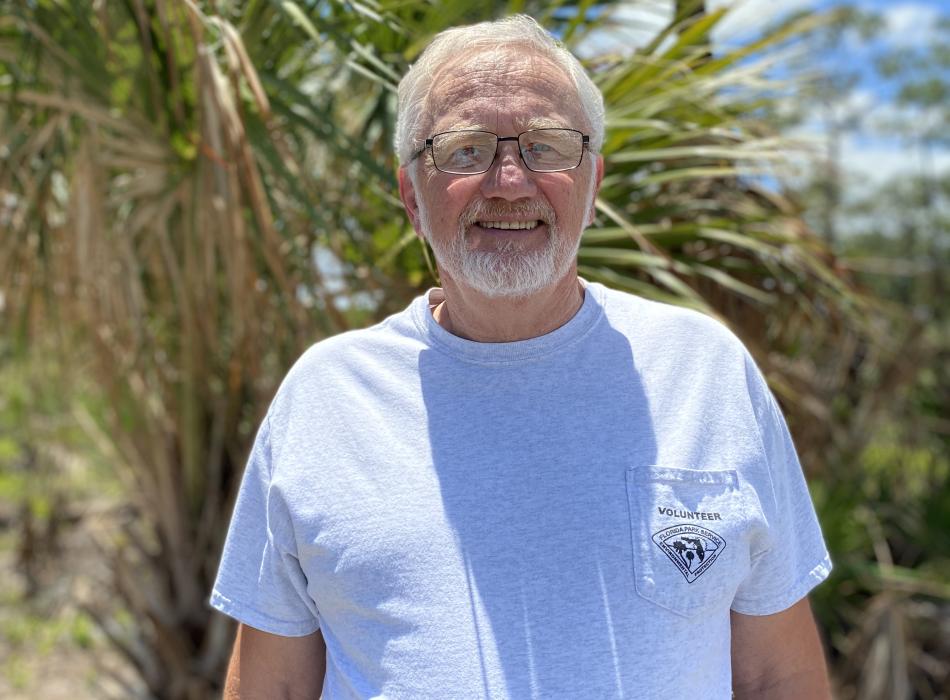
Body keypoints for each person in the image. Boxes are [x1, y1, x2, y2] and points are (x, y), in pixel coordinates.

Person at [211, 15, 833, 699]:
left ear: (593, 183)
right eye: (465, 150)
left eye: (547, 146)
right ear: (411, 198)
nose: (509, 181)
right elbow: (272, 689)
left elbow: (779, 675)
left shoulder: (705, 372)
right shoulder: (326, 397)